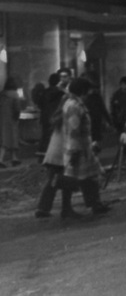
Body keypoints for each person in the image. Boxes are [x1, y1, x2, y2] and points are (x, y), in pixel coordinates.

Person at [61, 77, 111, 217]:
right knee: (75, 178)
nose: (90, 92)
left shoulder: (73, 103)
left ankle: (94, 204)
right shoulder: (74, 106)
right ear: (82, 90)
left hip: (82, 147)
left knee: (88, 176)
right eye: (87, 89)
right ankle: (68, 208)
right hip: (78, 149)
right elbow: (74, 129)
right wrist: (75, 150)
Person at [35, 85, 78, 219]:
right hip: (62, 154)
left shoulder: (58, 115)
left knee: (53, 180)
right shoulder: (68, 115)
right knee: (67, 180)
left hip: (54, 154)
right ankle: (65, 208)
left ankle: (43, 208)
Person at [0, 76, 23, 167]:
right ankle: (6, 158)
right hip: (11, 119)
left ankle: (14, 158)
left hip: (2, 119)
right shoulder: (15, 94)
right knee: (12, 138)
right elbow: (17, 108)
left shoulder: (2, 94)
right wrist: (17, 117)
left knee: (4, 138)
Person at [83, 78, 113, 146]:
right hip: (91, 120)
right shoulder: (87, 97)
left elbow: (103, 109)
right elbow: (103, 109)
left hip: (95, 120)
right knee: (91, 138)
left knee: (94, 138)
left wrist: (109, 121)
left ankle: (93, 151)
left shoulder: (94, 97)